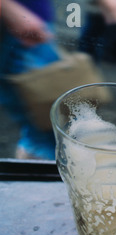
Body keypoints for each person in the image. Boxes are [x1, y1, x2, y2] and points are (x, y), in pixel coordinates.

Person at [0, 0, 59, 159]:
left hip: (31, 20)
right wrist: (7, 8)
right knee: (48, 128)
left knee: (45, 131)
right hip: (18, 26)